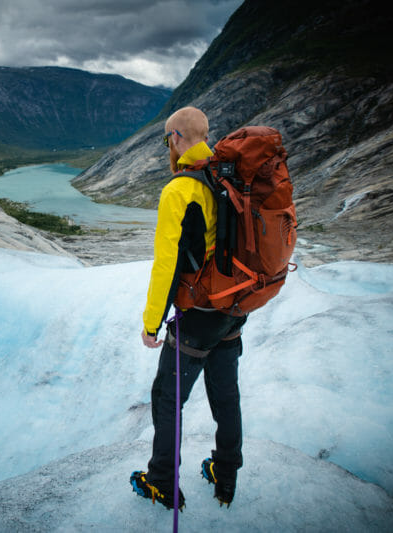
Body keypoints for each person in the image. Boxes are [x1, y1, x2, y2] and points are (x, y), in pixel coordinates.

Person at [130, 106, 246, 510]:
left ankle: (161, 481)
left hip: (198, 315)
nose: (168, 146)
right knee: (226, 394)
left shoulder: (178, 190)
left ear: (177, 138)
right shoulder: (226, 175)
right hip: (232, 305)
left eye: (167, 139)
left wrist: (151, 323)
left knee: (166, 397)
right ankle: (225, 474)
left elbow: (167, 264)